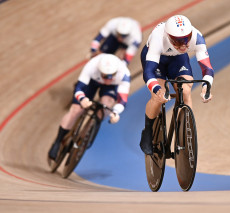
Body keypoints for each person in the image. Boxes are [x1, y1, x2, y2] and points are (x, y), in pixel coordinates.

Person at [140, 15, 214, 155]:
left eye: (186, 40)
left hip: (178, 59)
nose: (184, 45)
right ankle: (148, 132)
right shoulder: (158, 38)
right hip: (157, 61)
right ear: (168, 37)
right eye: (178, 42)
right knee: (158, 96)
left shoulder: (197, 37)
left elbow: (207, 68)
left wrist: (207, 86)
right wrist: (157, 89)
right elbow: (148, 71)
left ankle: (186, 130)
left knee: (185, 89)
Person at [48, 53, 131, 160]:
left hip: (111, 88)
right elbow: (79, 89)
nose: (108, 79)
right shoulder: (92, 66)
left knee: (106, 105)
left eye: (111, 76)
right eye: (105, 76)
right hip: (92, 82)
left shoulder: (124, 74)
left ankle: (86, 133)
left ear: (116, 72)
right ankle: (58, 141)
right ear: (100, 70)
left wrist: (115, 113)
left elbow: (123, 100)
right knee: (76, 110)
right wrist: (82, 99)